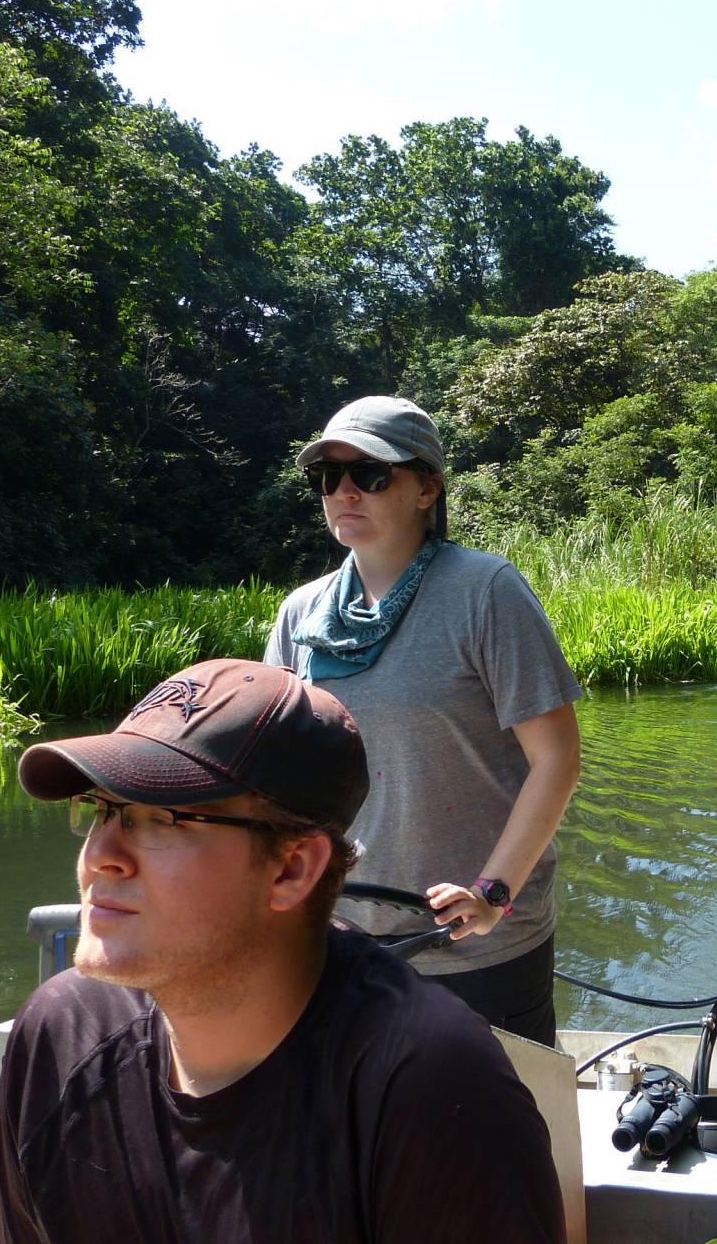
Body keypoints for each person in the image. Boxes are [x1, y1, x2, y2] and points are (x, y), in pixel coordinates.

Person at [0, 658, 567, 1244]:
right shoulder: (57, 1039)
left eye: (158, 818)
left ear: (291, 868)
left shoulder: (435, 1094)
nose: (100, 855)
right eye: (103, 810)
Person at [265, 395, 582, 1046]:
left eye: (371, 474)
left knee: (496, 1139)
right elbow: (279, 772)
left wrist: (493, 893)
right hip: (342, 943)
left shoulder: (486, 592)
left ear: (425, 488)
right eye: (330, 476)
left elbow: (556, 760)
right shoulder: (301, 616)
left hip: (477, 946)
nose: (345, 491)